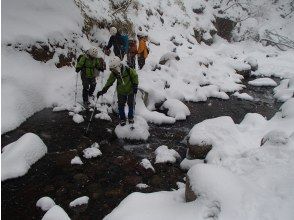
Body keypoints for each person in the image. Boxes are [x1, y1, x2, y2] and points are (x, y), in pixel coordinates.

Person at [97, 56, 138, 126]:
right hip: (121, 91)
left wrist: (135, 85)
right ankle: (122, 119)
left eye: (113, 69)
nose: (113, 71)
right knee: (121, 105)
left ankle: (130, 117)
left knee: (131, 104)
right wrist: (104, 90)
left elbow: (135, 76)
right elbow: (109, 81)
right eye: (112, 69)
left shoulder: (128, 70)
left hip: (130, 90)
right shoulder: (114, 73)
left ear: (118, 67)